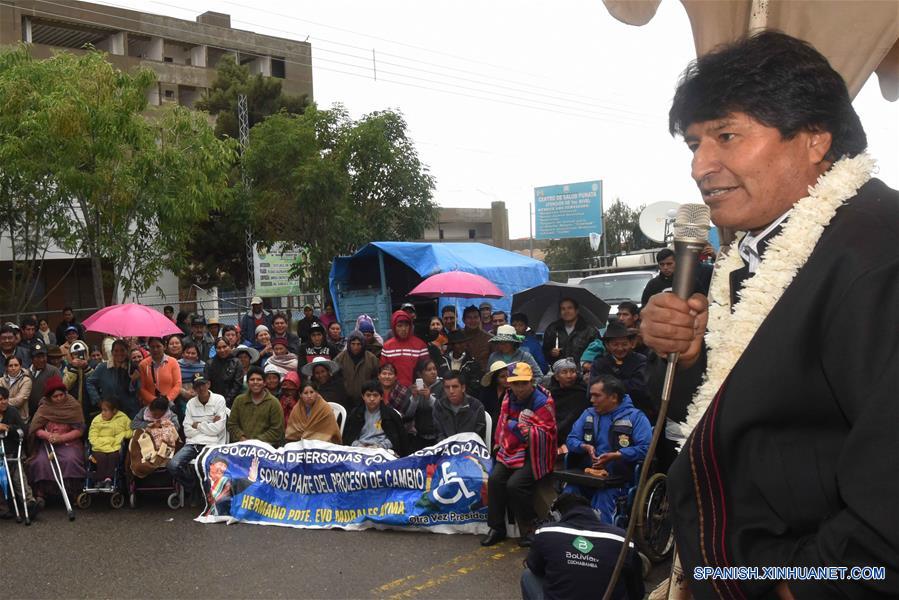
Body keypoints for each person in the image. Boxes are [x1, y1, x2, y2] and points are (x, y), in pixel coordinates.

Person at [637, 31, 899, 598]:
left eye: (727, 136)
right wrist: (688, 359)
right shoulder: (749, 256)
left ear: (813, 138)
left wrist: (791, 589)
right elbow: (744, 425)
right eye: (693, 144)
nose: (701, 166)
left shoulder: (878, 254)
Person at [482, 362, 557, 547]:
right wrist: (502, 441)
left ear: (531, 382)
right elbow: (502, 423)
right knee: (495, 479)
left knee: (515, 485)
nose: (520, 388)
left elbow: (547, 432)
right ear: (510, 384)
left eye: (524, 383)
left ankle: (529, 529)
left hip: (536, 452)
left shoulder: (543, 402)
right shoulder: (508, 398)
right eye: (516, 383)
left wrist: (520, 428)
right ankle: (497, 528)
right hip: (511, 449)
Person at [522, 493, 645, 600]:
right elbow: (637, 592)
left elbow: (535, 567)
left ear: (557, 516)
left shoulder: (546, 533)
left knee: (528, 576)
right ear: (596, 514)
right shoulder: (623, 539)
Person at [564, 375, 651, 524]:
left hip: (619, 479)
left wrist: (618, 455)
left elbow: (646, 448)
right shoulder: (588, 414)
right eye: (591, 395)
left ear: (613, 397)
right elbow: (571, 439)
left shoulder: (635, 417)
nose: (592, 400)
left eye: (597, 396)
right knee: (570, 492)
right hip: (588, 475)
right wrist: (584, 446)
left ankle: (600, 538)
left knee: (604, 498)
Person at [169, 373, 228, 505]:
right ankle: (195, 488)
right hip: (193, 443)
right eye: (197, 386)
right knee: (173, 466)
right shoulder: (191, 403)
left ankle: (202, 492)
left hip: (212, 444)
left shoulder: (219, 400)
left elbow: (218, 429)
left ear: (208, 384)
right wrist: (208, 424)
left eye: (203, 384)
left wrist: (197, 425)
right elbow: (187, 430)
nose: (201, 388)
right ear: (194, 388)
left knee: (207, 468)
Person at [27, 374, 85, 501]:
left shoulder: (73, 406)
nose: (59, 398)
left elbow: (79, 430)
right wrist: (48, 435)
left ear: (65, 393)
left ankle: (72, 492)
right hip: (48, 444)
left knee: (70, 459)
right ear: (49, 397)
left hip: (69, 443)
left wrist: (62, 438)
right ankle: (42, 493)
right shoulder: (44, 407)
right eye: (55, 396)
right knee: (40, 461)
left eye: (61, 395)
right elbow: (36, 428)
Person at [591, 322, 650, 418]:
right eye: (615, 344)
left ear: (631, 344)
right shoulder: (599, 363)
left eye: (624, 344)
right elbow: (594, 389)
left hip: (638, 412)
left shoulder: (641, 361)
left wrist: (609, 387)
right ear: (607, 345)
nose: (620, 348)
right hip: (605, 413)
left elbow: (640, 387)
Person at [0, 388, 41, 518]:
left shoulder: (12, 412)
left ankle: (30, 504)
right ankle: (4, 508)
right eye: (0, 400)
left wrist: (8, 427)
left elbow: (22, 430)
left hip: (11, 451)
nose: (3, 402)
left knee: (18, 476)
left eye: (5, 399)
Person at [343, 380, 408, 455]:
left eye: (375, 395)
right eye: (368, 395)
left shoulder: (390, 414)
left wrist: (379, 446)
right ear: (363, 396)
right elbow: (348, 437)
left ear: (381, 397)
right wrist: (360, 446)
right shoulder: (356, 413)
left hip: (383, 450)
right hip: (359, 450)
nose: (372, 399)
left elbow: (396, 439)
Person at [227, 366, 284, 446]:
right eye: (252, 379)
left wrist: (256, 442)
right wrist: (242, 438)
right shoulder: (239, 400)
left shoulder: (273, 403)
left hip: (266, 448)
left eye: (259, 379)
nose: (255, 382)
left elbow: (276, 430)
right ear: (247, 383)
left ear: (264, 383)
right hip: (241, 446)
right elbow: (232, 424)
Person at [87, 339, 140, 420]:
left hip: (130, 412)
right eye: (116, 350)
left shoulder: (133, 368)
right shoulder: (103, 367)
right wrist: (98, 401)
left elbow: (137, 391)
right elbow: (90, 382)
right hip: (110, 412)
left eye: (122, 350)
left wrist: (133, 380)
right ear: (112, 352)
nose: (119, 353)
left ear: (127, 352)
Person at [545, 358, 588, 453]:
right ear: (556, 377)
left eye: (572, 371)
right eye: (564, 372)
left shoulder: (583, 392)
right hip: (554, 431)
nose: (569, 376)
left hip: (576, 431)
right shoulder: (549, 393)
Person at [87, 398, 132, 487]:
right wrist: (107, 442)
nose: (102, 413)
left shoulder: (123, 418)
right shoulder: (97, 420)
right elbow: (92, 436)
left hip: (115, 447)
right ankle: (99, 480)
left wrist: (122, 434)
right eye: (102, 410)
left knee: (113, 457)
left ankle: (108, 479)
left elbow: (131, 431)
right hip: (99, 447)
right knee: (101, 457)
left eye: (105, 410)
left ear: (114, 411)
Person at [541, 299, 597, 369]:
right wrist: (551, 353)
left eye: (570, 308)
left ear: (576, 311)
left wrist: (586, 364)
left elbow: (597, 352)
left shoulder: (590, 331)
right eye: (563, 309)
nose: (566, 311)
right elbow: (544, 351)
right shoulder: (552, 329)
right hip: (560, 374)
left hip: (582, 373)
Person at [380, 310, 429, 389]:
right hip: (394, 391)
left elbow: (426, 370)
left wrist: (420, 387)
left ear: (410, 326)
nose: (403, 329)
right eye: (399, 326)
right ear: (394, 327)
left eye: (406, 325)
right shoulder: (387, 347)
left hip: (416, 391)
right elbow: (383, 372)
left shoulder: (420, 345)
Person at [433, 371, 486, 443]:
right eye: (447, 387)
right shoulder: (439, 406)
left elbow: (479, 436)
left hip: (470, 450)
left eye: (455, 386)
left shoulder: (476, 406)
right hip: (445, 448)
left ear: (463, 388)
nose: (451, 391)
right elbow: (438, 434)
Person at [334, 331, 379, 410]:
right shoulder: (340, 358)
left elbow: (376, 377)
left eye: (359, 344)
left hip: (366, 399)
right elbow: (334, 376)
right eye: (353, 344)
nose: (356, 347)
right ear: (349, 344)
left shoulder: (371, 358)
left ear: (363, 344)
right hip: (346, 400)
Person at [438, 330, 484, 398]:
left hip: (466, 400)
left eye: (464, 343)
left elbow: (475, 386)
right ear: (452, 345)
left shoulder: (473, 363)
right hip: (444, 398)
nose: (462, 345)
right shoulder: (442, 361)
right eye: (459, 343)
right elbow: (439, 381)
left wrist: (461, 396)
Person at [138, 337, 182, 407]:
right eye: (152, 347)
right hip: (150, 406)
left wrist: (167, 400)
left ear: (164, 346)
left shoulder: (173, 362)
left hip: (169, 404)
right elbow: (142, 388)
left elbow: (177, 384)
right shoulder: (143, 364)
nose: (155, 349)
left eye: (158, 346)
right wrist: (155, 401)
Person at [377, 363, 417, 437]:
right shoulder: (373, 391)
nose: (387, 376)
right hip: (376, 430)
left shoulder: (403, 392)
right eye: (384, 373)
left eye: (390, 374)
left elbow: (408, 415)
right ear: (379, 376)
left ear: (395, 377)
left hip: (401, 430)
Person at [410, 358, 440, 450]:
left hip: (438, 437)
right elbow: (408, 414)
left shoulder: (443, 387)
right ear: (420, 374)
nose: (433, 372)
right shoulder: (414, 388)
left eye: (434, 369)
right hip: (418, 436)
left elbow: (443, 410)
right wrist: (414, 399)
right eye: (429, 370)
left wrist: (429, 398)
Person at [63, 340, 95, 423]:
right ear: (71, 355)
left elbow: (95, 382)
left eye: (81, 353)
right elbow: (65, 386)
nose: (78, 356)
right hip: (73, 406)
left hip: (89, 405)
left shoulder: (92, 365)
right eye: (75, 354)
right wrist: (73, 369)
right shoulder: (68, 367)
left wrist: (87, 368)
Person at [27, 343, 61, 420]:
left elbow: (59, 392)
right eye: (38, 357)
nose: (42, 360)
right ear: (32, 358)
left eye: (43, 356)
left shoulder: (53, 371)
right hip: (28, 415)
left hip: (48, 414)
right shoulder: (26, 372)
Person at [207, 338, 244, 408]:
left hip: (233, 403)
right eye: (219, 348)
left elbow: (237, 384)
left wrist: (226, 401)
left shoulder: (236, 362)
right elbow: (208, 384)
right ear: (215, 349)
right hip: (214, 403)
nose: (222, 350)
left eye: (224, 347)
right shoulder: (210, 364)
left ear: (229, 346)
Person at [461, 305, 493, 370]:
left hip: (483, 375)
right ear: (463, 320)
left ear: (480, 319)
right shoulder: (457, 337)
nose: (473, 320)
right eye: (469, 318)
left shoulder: (489, 338)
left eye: (475, 317)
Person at [478, 360, 510, 427]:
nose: (507, 379)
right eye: (502, 377)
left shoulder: (512, 392)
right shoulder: (486, 392)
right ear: (495, 379)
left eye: (508, 375)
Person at [1, 356, 32, 422]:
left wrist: (2, 402)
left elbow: (19, 401)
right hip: (2, 418)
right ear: (6, 368)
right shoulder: (1, 381)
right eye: (10, 366)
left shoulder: (26, 380)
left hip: (21, 418)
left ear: (20, 366)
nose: (13, 368)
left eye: (16, 365)